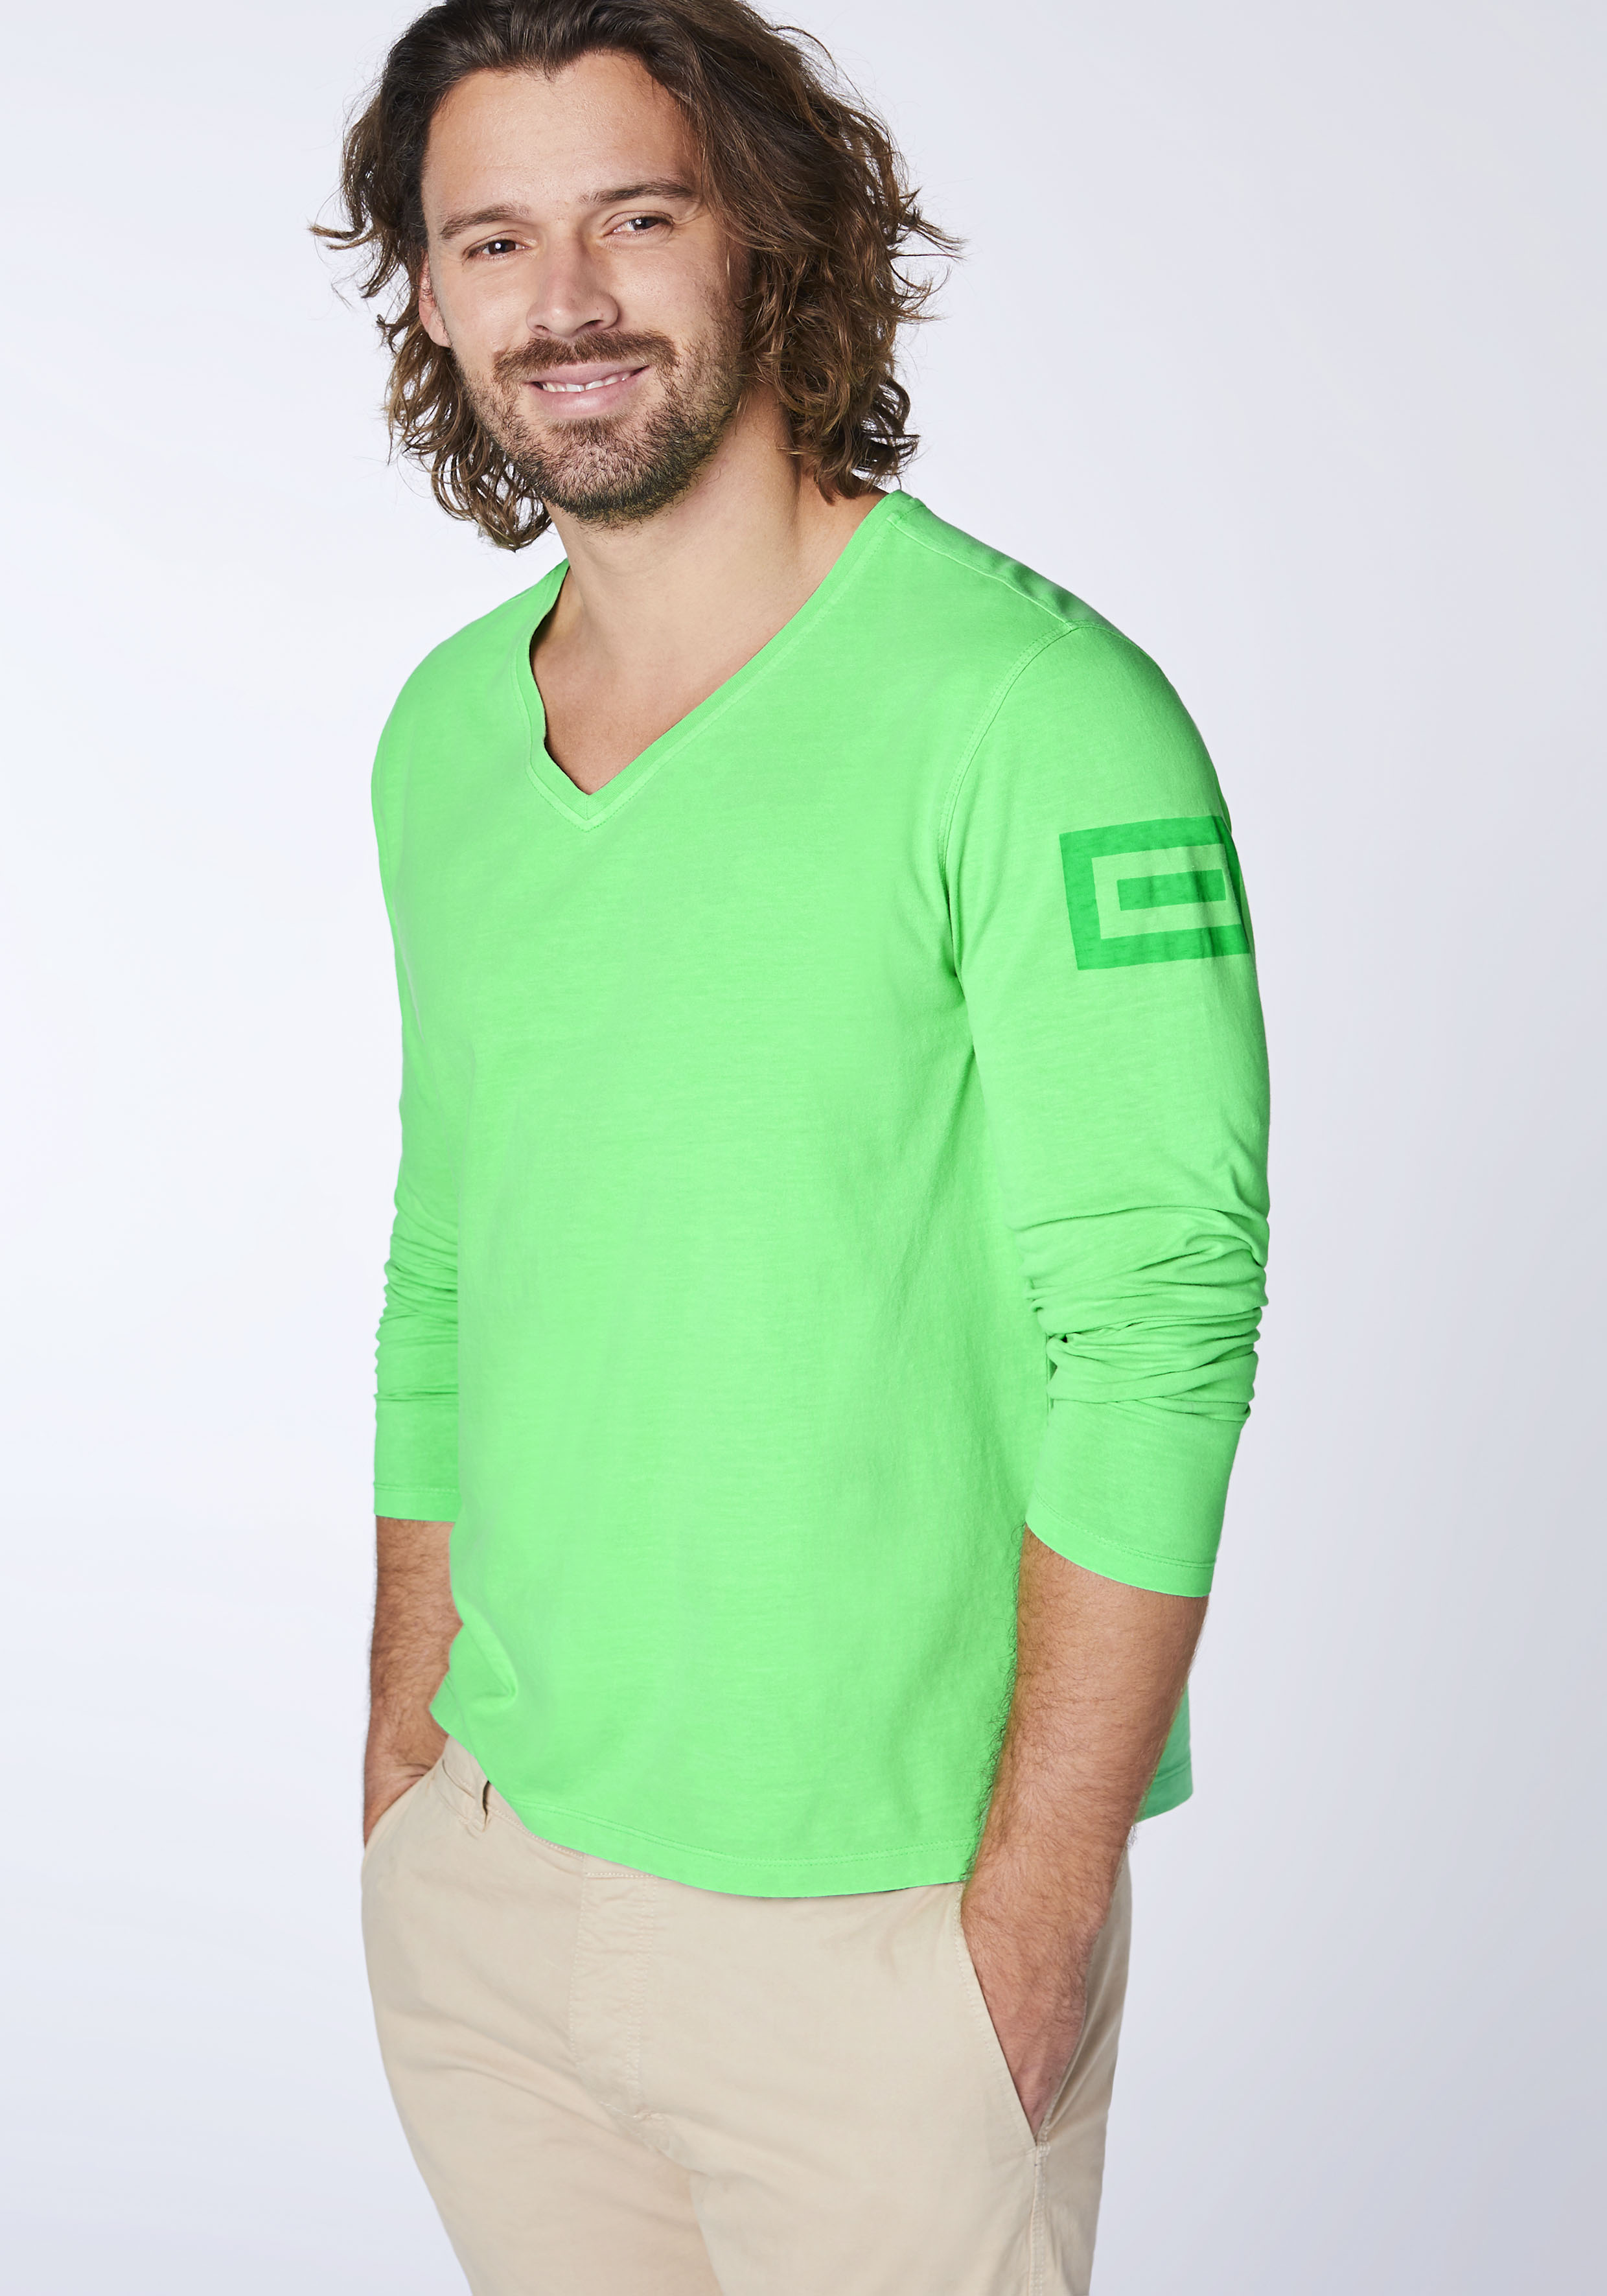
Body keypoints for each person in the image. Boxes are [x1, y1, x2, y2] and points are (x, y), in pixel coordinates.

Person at [320, 2, 1269, 2289]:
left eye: (636, 218)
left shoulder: (1035, 717)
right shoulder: (444, 736)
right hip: (497, 1896)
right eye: (495, 239)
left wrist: (1029, 1924)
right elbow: (452, 1254)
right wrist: (406, 1769)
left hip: (884, 1939)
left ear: (764, 236)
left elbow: (1159, 1322)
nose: (567, 300)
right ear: (430, 294)